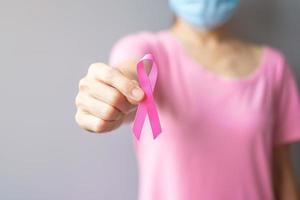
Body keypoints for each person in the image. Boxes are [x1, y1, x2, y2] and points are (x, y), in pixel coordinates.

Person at [74, 0, 300, 199]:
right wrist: (113, 91)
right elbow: (133, 71)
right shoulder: (148, 49)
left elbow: (282, 174)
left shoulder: (274, 68)